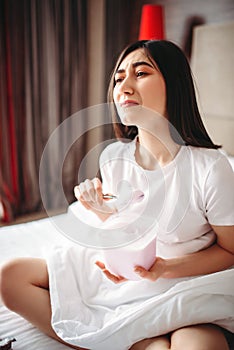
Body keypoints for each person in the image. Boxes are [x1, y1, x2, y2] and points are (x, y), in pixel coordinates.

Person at [0, 40, 233, 350]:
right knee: (10, 277)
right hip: (130, 281)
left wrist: (165, 268)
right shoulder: (114, 158)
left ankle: (129, 337)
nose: (124, 85)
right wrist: (103, 213)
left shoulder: (210, 167)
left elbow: (230, 252)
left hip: (187, 285)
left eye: (141, 73)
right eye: (119, 77)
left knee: (198, 347)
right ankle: (137, 341)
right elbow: (127, 227)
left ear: (174, 85)